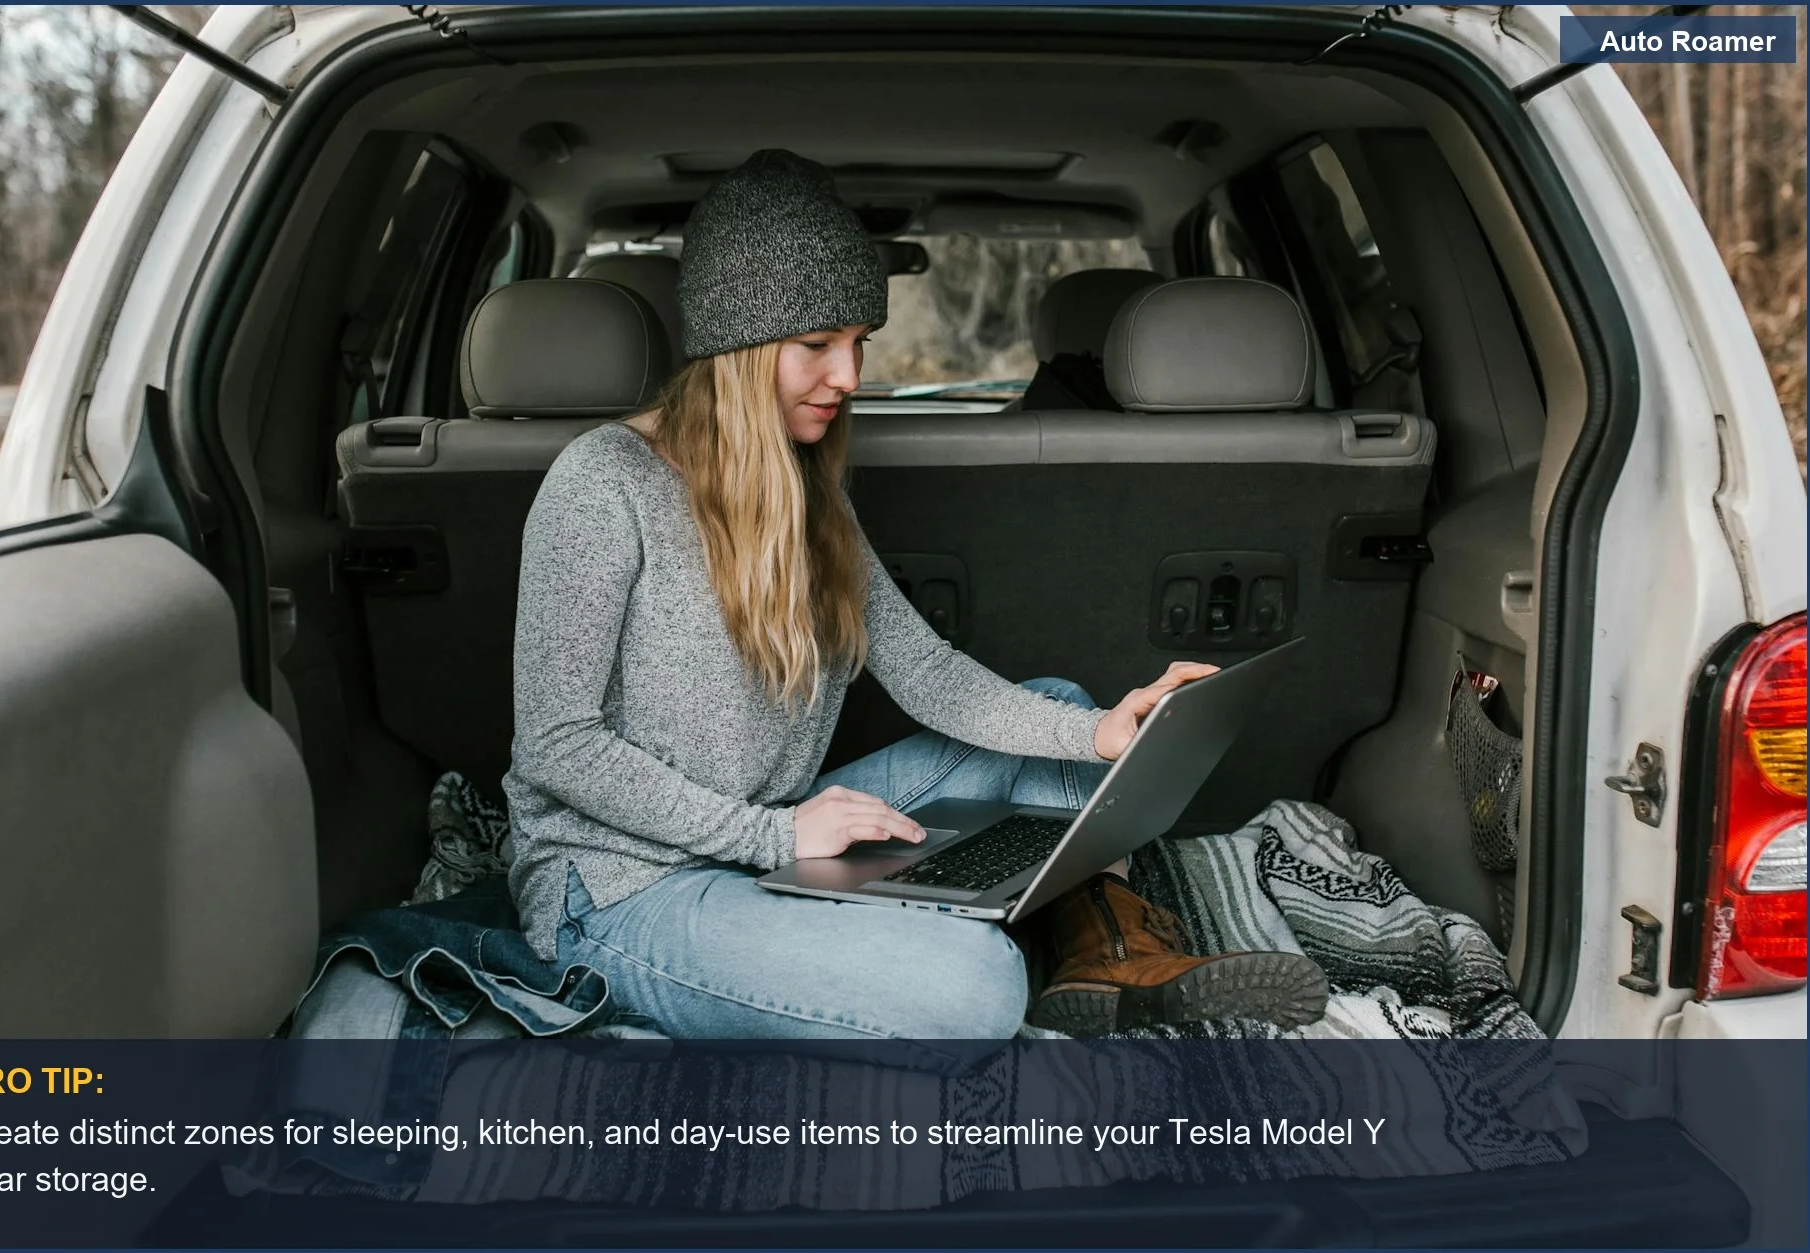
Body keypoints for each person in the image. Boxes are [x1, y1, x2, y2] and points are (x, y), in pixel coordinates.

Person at [503, 150, 1325, 1057]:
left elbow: (922, 667)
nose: (849, 376)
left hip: (771, 829)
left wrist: (1103, 732)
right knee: (971, 989)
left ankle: (1108, 957)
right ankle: (1035, 943)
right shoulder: (600, 482)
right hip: (624, 888)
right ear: (735, 345)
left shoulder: (807, 484)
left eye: (858, 342)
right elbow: (556, 745)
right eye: (817, 345)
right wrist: (768, 831)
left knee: (1054, 709)